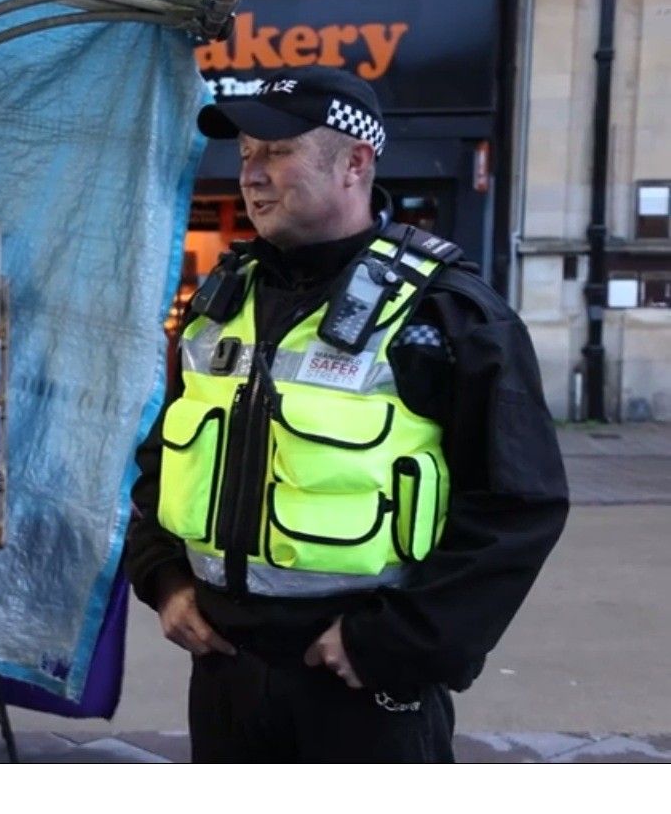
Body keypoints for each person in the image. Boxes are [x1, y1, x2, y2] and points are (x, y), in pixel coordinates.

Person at [125, 66, 569, 763]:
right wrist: (163, 577)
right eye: (244, 154)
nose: (252, 174)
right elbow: (162, 456)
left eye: (277, 151)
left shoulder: (446, 314)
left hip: (362, 682)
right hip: (224, 675)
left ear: (355, 163)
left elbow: (521, 504)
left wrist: (399, 643)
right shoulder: (221, 300)